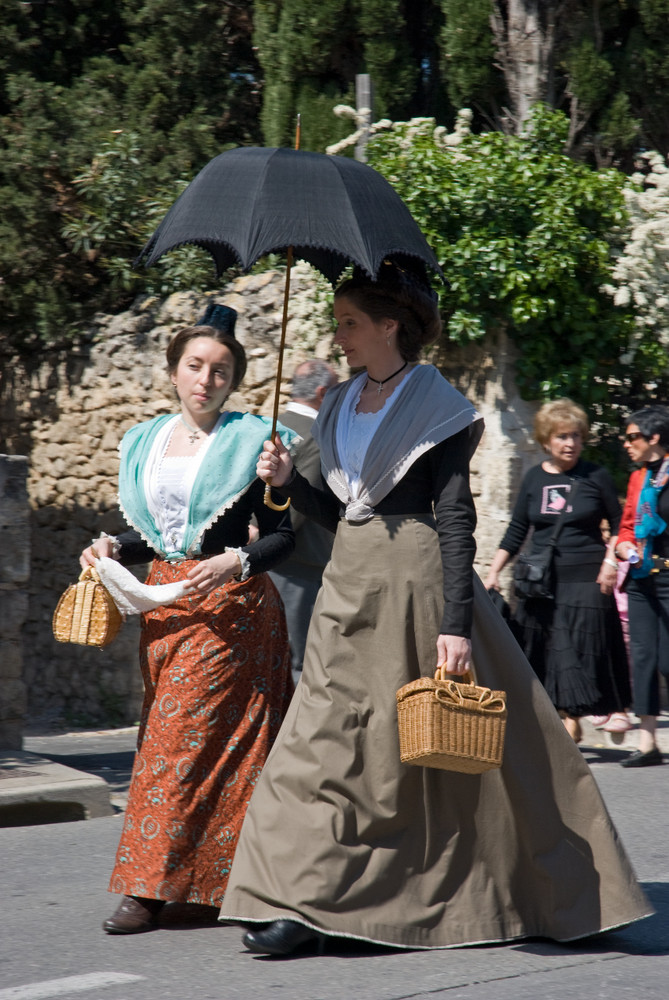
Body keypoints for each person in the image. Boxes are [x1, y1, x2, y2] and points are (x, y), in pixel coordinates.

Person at [217, 264, 650, 955]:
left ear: (391, 326)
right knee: (315, 746)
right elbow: (340, 512)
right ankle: (289, 899)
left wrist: (455, 625)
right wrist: (286, 482)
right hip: (348, 584)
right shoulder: (336, 404)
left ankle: (562, 892)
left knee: (439, 758)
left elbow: (454, 518)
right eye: (338, 323)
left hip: (417, 586)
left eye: (350, 322)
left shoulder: (437, 406)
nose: (340, 335)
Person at [79, 303, 296, 934]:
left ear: (234, 380)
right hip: (164, 610)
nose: (207, 379)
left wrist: (242, 551)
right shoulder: (146, 443)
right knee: (185, 745)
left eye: (221, 371)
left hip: (230, 612)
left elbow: (281, 537)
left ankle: (147, 889)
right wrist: (115, 547)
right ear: (174, 371)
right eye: (195, 366)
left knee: (183, 745)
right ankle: (205, 886)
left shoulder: (255, 441)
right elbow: (159, 536)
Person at [484, 399, 631, 745]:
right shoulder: (534, 478)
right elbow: (517, 531)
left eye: (576, 436)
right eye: (562, 436)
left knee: (582, 648)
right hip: (542, 583)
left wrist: (611, 563)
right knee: (548, 649)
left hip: (587, 579)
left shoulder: (596, 476)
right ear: (546, 440)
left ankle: (582, 712)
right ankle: (566, 715)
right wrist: (492, 573)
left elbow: (620, 523)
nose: (570, 443)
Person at [269, 360, 339, 672]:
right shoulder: (317, 435)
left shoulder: (269, 424)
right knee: (301, 663)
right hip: (300, 564)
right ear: (323, 393)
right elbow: (299, 501)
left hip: (261, 558)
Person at [614, 405, 669, 767]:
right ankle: (647, 742)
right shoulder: (638, 479)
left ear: (655, 438)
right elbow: (628, 526)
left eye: (633, 437)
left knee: (667, 658)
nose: (626, 444)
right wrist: (622, 546)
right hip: (641, 577)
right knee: (644, 657)